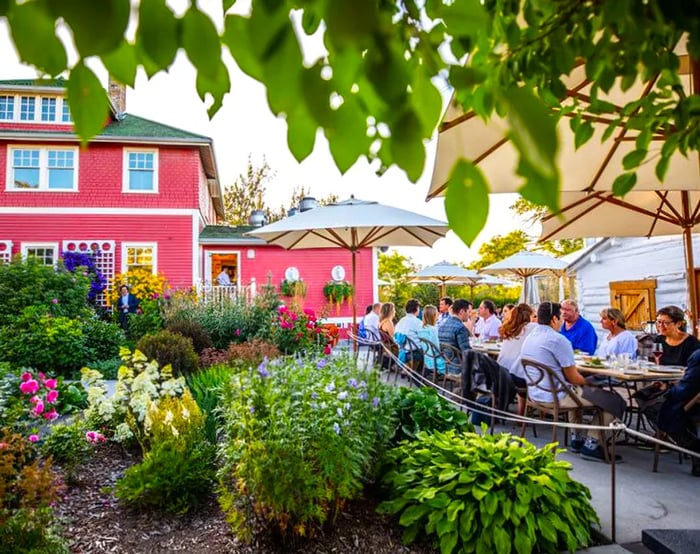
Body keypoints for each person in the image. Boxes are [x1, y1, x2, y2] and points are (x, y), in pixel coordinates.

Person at [521, 302, 626, 462]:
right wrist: (593, 382)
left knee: (578, 390)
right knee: (614, 400)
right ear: (554, 319)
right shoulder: (558, 339)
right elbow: (573, 378)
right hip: (556, 396)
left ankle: (576, 437)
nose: (562, 321)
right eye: (561, 317)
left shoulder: (530, 337)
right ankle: (592, 443)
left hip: (535, 393)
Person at [642, 349, 700, 476]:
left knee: (649, 404)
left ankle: (692, 446)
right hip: (692, 399)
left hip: (692, 403)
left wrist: (669, 388)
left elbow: (685, 389)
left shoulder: (698, 355)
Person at [497, 303, 537, 415]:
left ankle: (521, 412)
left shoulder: (508, 328)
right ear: (529, 316)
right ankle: (523, 412)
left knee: (519, 370)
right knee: (526, 373)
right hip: (517, 377)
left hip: (502, 373)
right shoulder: (533, 328)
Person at [438, 298, 471, 373]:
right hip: (457, 367)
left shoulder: (442, 325)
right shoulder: (460, 328)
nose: (469, 315)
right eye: (468, 312)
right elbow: (466, 351)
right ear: (462, 311)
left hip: (444, 364)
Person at [395, 299, 424, 369]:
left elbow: (395, 337)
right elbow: (424, 338)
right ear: (417, 309)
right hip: (414, 353)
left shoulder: (401, 321)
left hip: (402, 351)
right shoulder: (417, 322)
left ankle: (409, 370)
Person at [418, 305, 446, 376]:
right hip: (436, 362)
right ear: (433, 316)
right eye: (437, 314)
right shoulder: (433, 329)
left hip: (427, 359)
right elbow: (437, 348)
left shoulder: (421, 329)